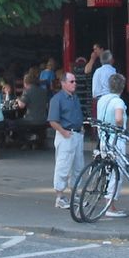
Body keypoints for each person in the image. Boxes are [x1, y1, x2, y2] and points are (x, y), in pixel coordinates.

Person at [48, 71, 84, 209]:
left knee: (77, 166)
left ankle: (75, 194)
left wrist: (81, 128)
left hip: (76, 134)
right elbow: (52, 120)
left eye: (75, 81)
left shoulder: (75, 98)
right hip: (66, 135)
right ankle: (60, 197)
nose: (75, 84)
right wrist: (63, 131)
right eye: (72, 81)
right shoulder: (57, 99)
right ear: (63, 83)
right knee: (63, 166)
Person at [96, 72, 129, 218]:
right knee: (117, 173)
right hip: (116, 141)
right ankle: (111, 206)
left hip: (103, 139)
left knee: (108, 171)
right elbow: (119, 118)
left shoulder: (101, 100)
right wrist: (121, 126)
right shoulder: (118, 102)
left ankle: (108, 203)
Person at [15, 68, 49, 132]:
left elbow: (21, 105)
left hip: (31, 120)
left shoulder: (27, 91)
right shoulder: (43, 91)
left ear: (25, 83)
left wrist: (18, 99)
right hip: (44, 120)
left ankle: (23, 137)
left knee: (14, 123)